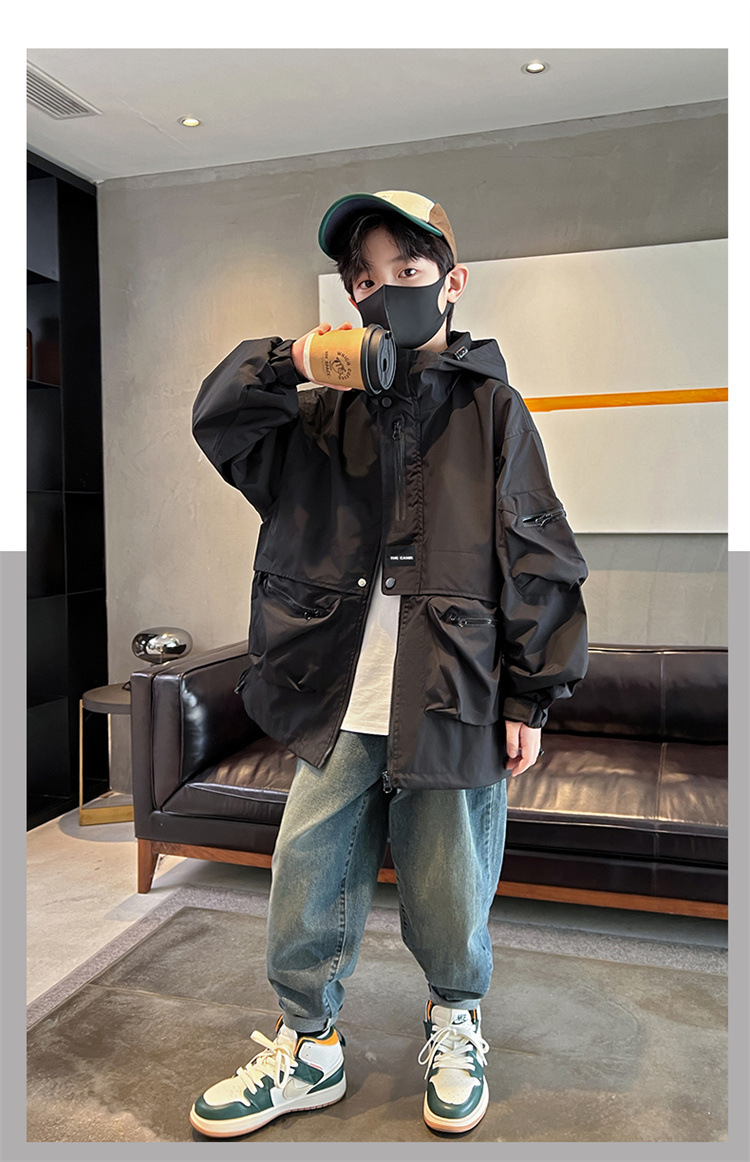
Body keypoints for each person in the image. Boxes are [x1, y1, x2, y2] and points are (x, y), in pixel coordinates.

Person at [189, 190, 589, 1138]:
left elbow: (537, 549)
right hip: (335, 696)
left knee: (450, 885)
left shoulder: (492, 409)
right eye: (365, 278)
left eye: (407, 270)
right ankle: (310, 1048)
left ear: (451, 282)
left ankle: (455, 1023)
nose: (385, 289)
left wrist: (531, 692)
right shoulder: (319, 419)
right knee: (306, 877)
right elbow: (219, 422)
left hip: (453, 691)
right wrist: (293, 360)